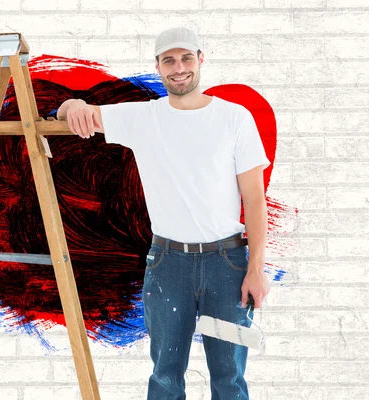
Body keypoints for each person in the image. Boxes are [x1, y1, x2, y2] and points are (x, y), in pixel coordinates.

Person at [56, 27, 272, 399]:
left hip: (229, 265)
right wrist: (72, 104)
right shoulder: (143, 117)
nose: (179, 68)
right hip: (168, 265)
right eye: (169, 60)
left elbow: (254, 199)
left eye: (186, 58)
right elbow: (72, 113)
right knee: (166, 376)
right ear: (158, 66)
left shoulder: (235, 118)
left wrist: (256, 270)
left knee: (229, 377)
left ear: (200, 60)